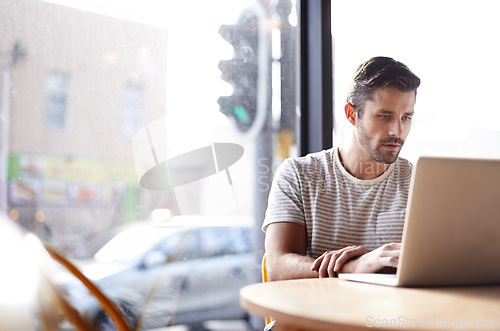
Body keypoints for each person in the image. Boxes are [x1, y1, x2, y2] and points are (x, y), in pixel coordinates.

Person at [263, 56, 421, 281]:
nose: (397, 130)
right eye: (384, 116)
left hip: (392, 314)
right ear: (351, 114)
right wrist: (354, 268)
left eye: (406, 117)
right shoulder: (298, 174)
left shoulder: (418, 181)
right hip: (316, 314)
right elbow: (278, 266)